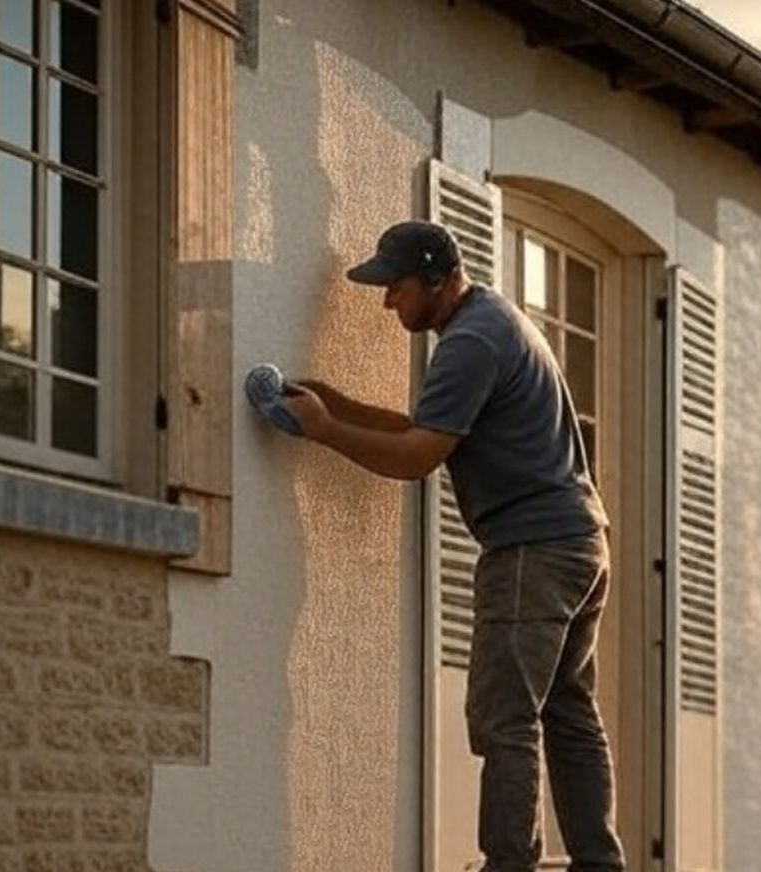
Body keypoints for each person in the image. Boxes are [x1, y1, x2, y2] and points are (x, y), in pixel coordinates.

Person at [283, 220, 626, 872]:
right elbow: (424, 428)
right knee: (568, 712)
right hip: (580, 541)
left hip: (532, 547)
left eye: (396, 286)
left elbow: (418, 456)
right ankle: (600, 863)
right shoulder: (493, 320)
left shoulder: (470, 341)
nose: (388, 300)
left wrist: (325, 432)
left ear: (437, 279)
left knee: (503, 717)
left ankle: (509, 864)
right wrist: (334, 404)